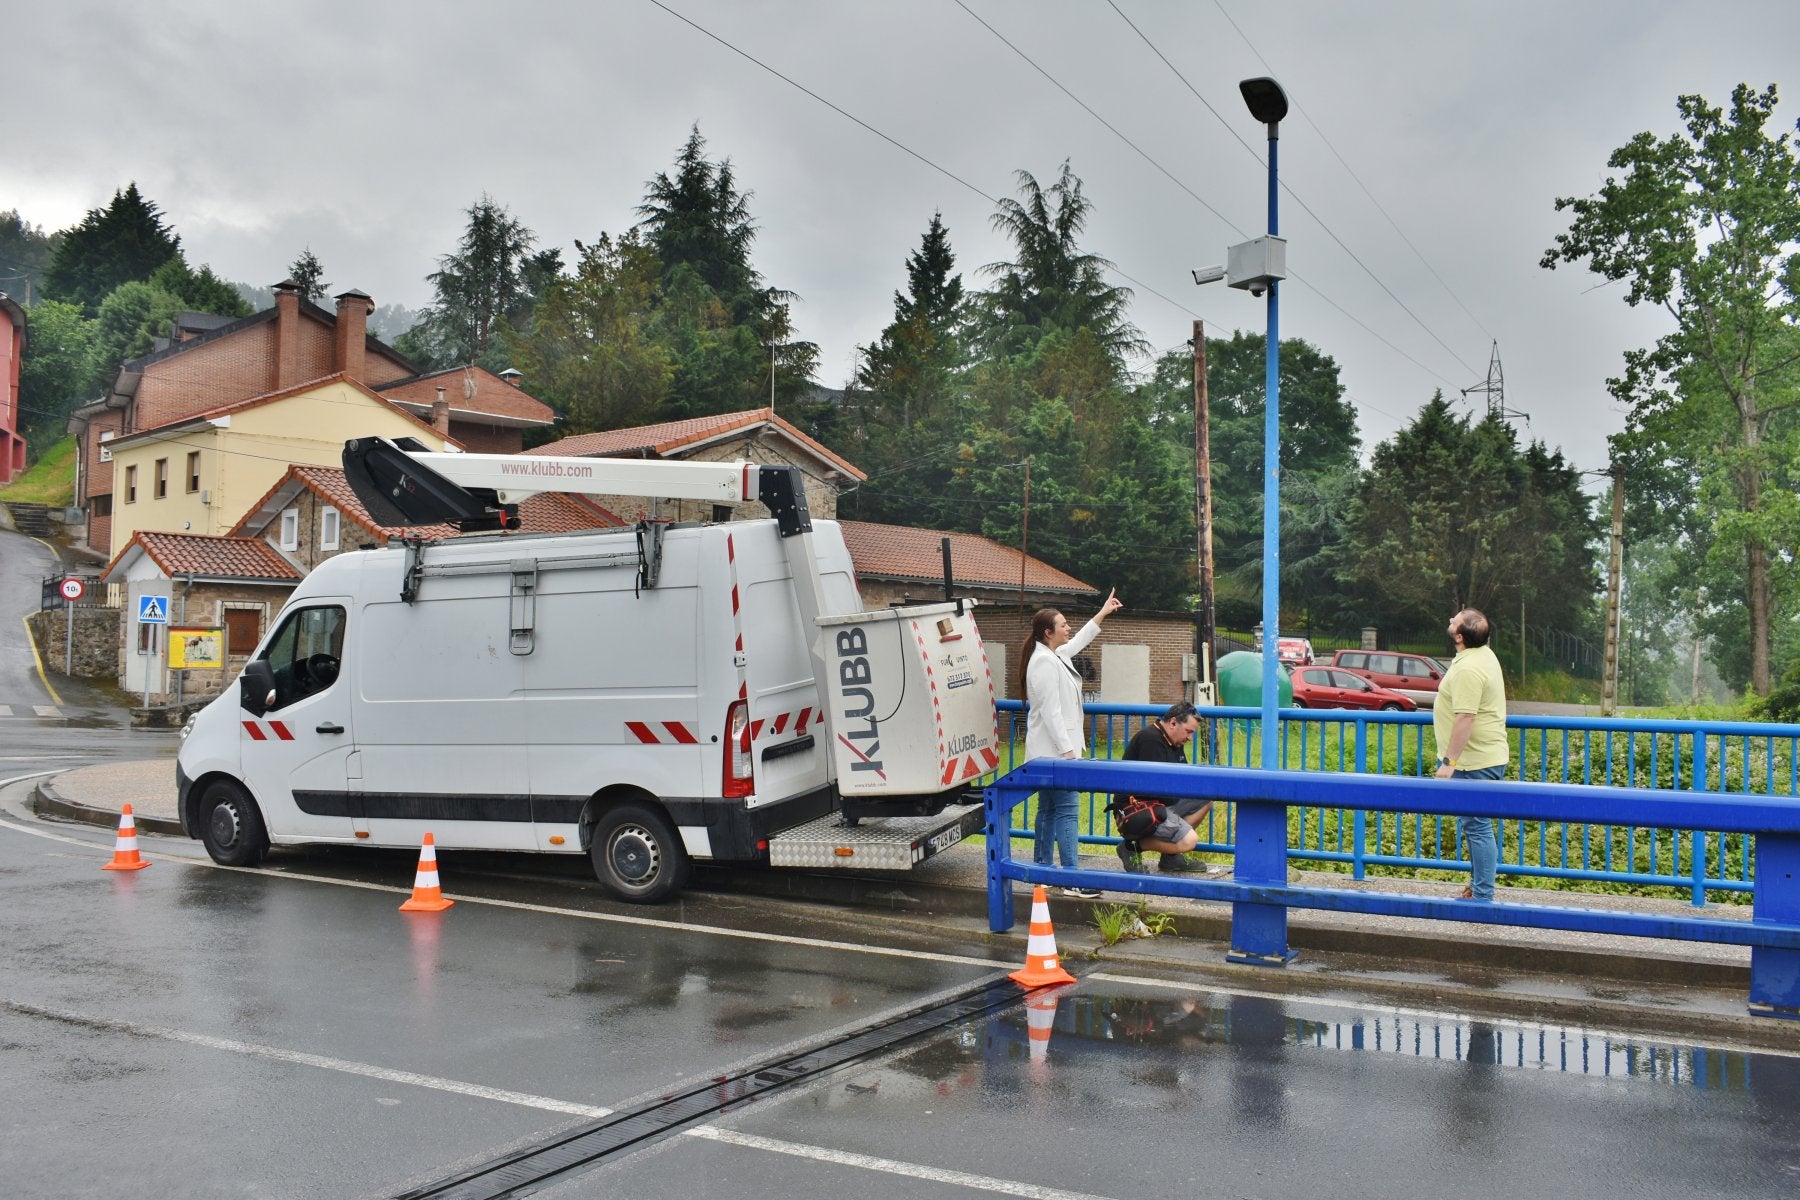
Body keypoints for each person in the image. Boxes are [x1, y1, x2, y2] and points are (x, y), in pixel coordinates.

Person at [1021, 589, 1124, 899]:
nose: (1068, 628)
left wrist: (1103, 612)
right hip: (1055, 753)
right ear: (1048, 632)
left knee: (1050, 810)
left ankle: (1042, 873)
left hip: (1049, 753)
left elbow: (1079, 640)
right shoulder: (1044, 663)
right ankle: (1071, 878)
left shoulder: (1054, 655)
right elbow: (1051, 714)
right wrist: (1068, 753)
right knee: (1066, 810)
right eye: (1063, 625)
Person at [1433, 608, 1509, 901]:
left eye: (1456, 619)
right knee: (1475, 825)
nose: (1451, 617)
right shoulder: (1483, 655)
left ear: (1460, 636)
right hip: (1484, 756)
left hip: (1474, 761)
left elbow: (1466, 717)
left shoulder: (1468, 669)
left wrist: (1449, 762)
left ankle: (1482, 896)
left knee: (1477, 827)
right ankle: (1477, 889)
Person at [1112, 702, 1221, 874]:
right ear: (1173, 723)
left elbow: (1182, 777)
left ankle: (1170, 858)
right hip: (1136, 810)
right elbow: (1152, 789)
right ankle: (1130, 847)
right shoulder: (1150, 740)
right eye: (1189, 731)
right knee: (1189, 841)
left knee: (1205, 799)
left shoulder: (1174, 742)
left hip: (1159, 803)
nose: (1190, 738)